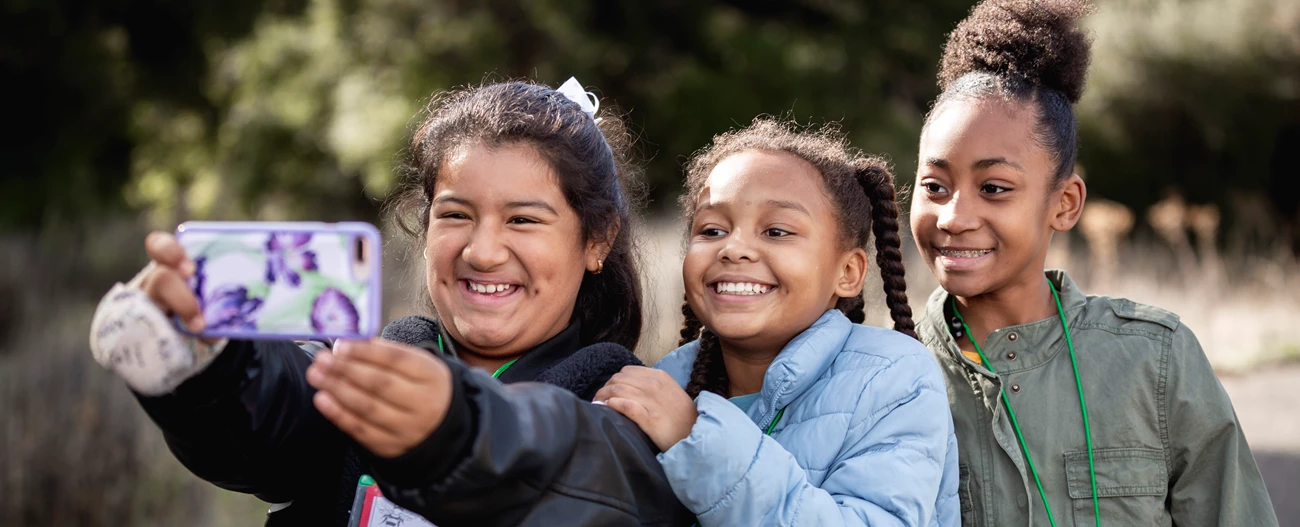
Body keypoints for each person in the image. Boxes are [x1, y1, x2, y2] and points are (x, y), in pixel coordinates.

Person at [89, 79, 692, 526]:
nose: (482, 251)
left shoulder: (629, 408)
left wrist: (453, 425)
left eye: (524, 220)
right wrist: (203, 361)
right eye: (455, 214)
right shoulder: (386, 355)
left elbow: (577, 474)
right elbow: (286, 407)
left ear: (596, 240)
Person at [909, 1, 1280, 525]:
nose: (954, 216)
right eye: (935, 186)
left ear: (1065, 203)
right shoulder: (889, 373)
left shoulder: (1157, 362)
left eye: (994, 188)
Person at [594, 118, 961, 526]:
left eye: (776, 231)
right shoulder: (666, 383)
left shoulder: (893, 379)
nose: (734, 249)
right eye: (712, 229)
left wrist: (695, 439)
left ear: (848, 273)